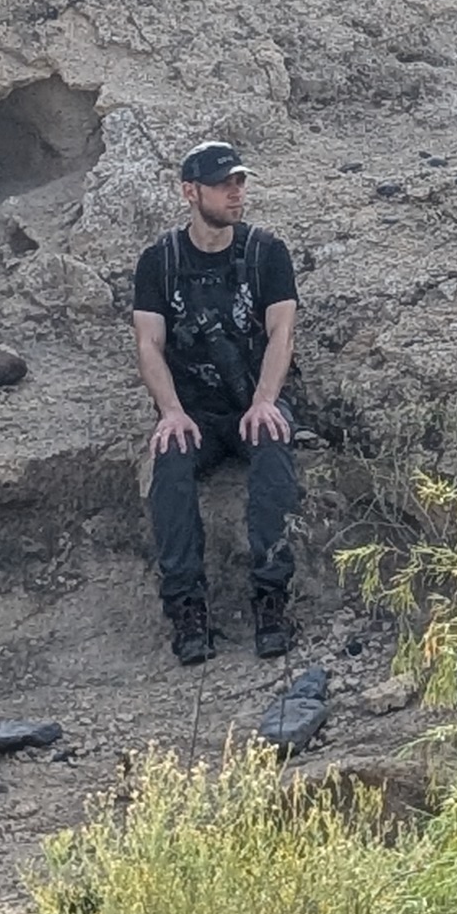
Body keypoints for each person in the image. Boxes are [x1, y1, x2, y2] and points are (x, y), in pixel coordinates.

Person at [131, 139, 301, 665]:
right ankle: (186, 608)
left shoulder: (266, 252)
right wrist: (171, 411)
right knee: (170, 460)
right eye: (223, 183)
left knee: (273, 441)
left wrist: (265, 399)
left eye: (240, 181)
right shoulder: (159, 262)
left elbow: (282, 333)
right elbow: (148, 344)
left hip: (253, 400)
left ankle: (271, 598)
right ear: (190, 192)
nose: (235, 192)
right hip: (194, 412)